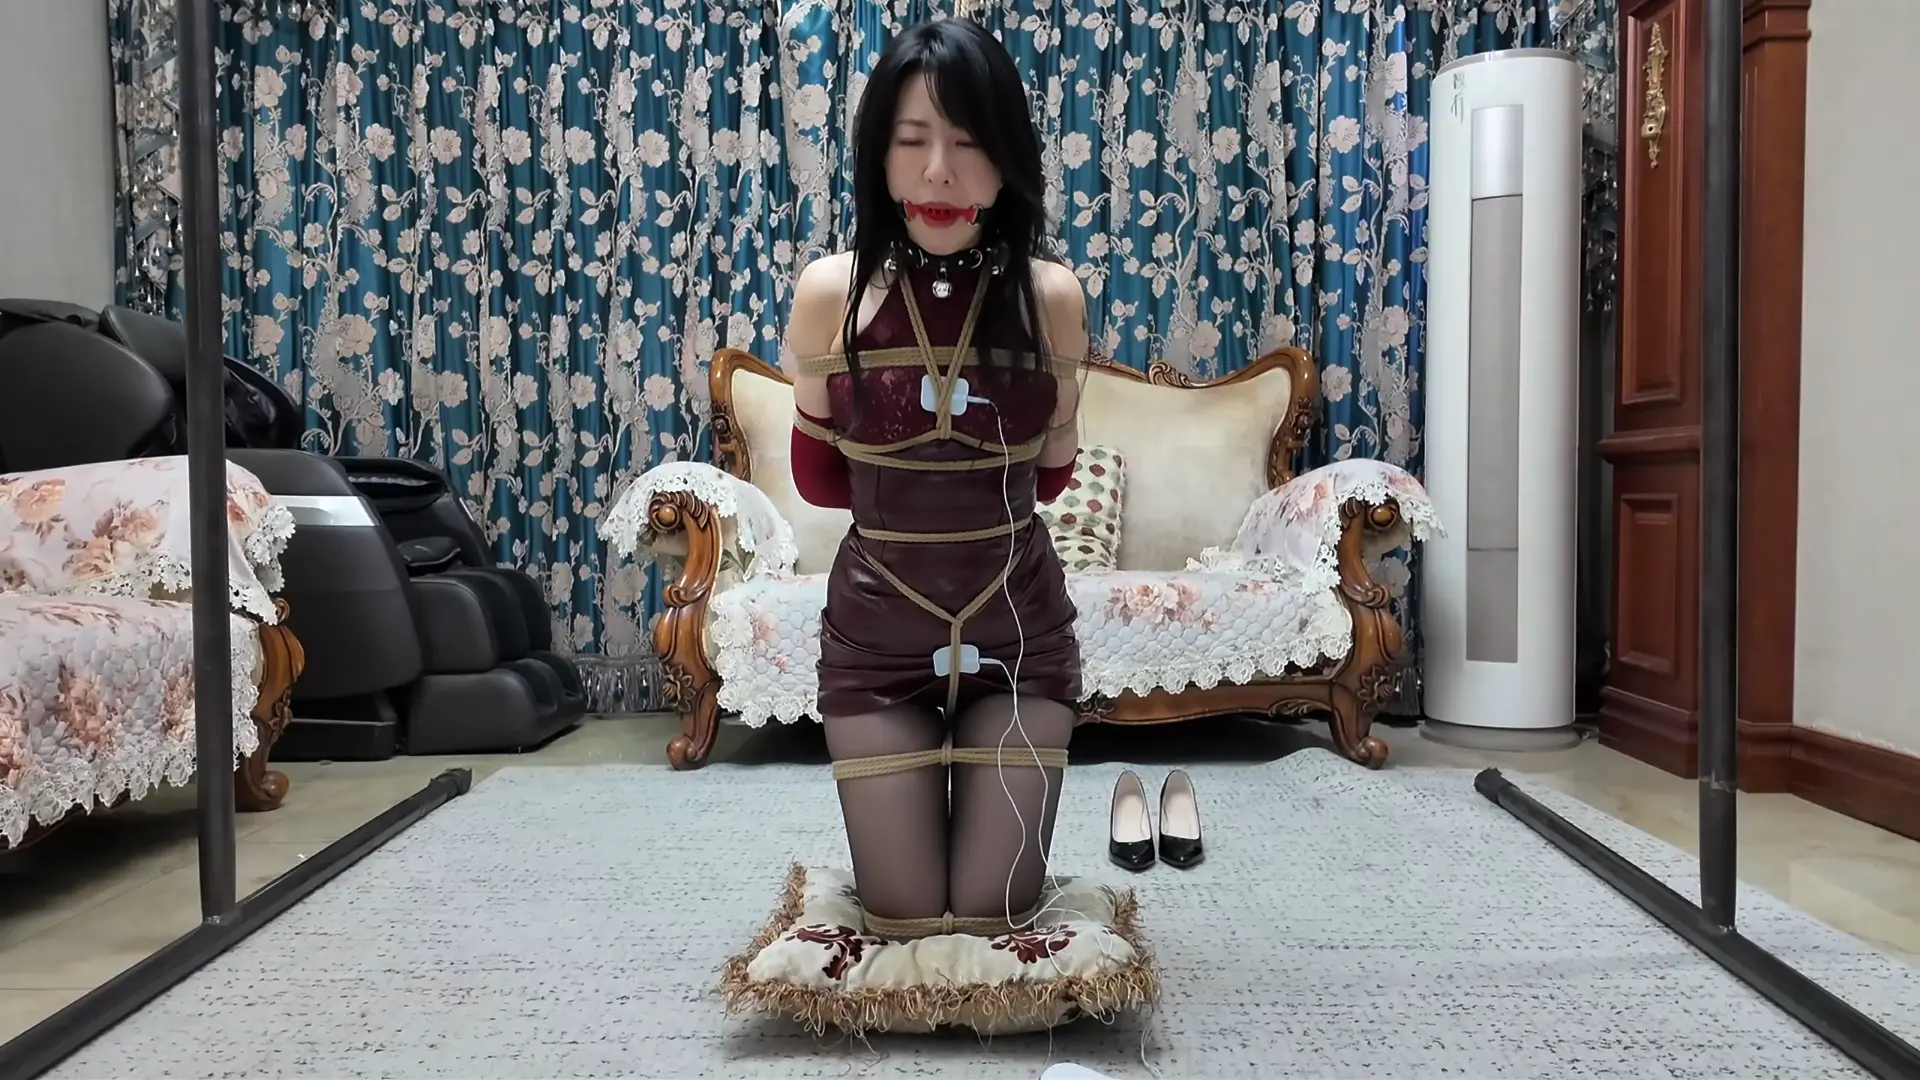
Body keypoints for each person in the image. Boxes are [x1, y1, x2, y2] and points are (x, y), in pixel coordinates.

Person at [780, 16, 1088, 942]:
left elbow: (1049, 485)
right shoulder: (828, 294)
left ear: (1010, 160)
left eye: (970, 142)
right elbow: (819, 483)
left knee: (997, 922)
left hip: (1020, 640)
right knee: (906, 923)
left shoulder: (1053, 299)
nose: (940, 172)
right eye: (912, 141)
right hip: (876, 646)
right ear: (878, 157)